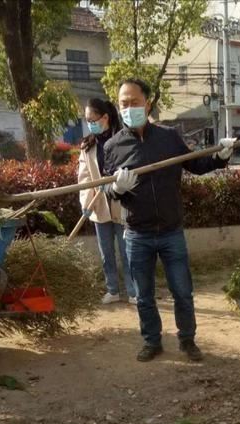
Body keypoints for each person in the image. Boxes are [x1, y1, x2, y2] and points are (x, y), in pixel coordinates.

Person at [104, 78, 235, 362]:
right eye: (123, 103)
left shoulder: (169, 137)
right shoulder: (113, 146)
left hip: (171, 231)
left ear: (148, 103)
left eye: (134, 102)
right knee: (144, 296)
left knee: (182, 292)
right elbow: (107, 190)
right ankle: (152, 341)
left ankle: (187, 340)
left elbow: (196, 165)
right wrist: (116, 188)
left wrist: (220, 157)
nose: (128, 108)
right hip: (137, 234)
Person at [77, 98, 136, 305]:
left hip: (121, 202)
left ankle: (133, 291)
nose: (90, 124)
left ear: (105, 118)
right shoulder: (87, 145)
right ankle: (112, 290)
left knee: (127, 249)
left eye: (93, 119)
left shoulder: (124, 139)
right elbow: (83, 177)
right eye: (87, 120)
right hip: (98, 203)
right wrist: (86, 200)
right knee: (106, 252)